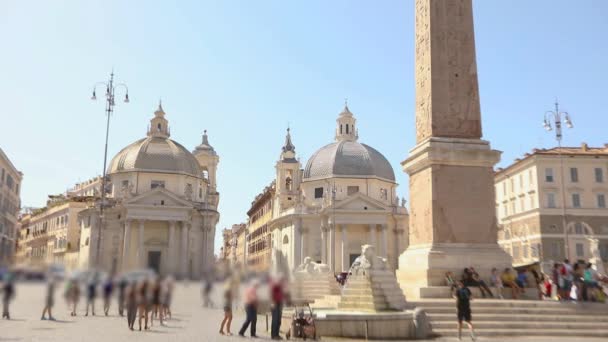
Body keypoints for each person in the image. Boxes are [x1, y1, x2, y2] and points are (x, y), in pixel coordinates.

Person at [270, 276, 286, 340]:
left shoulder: (280, 287)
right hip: (275, 304)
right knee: (275, 320)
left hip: (279, 304)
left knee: (278, 320)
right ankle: (274, 335)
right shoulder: (275, 286)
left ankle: (277, 334)